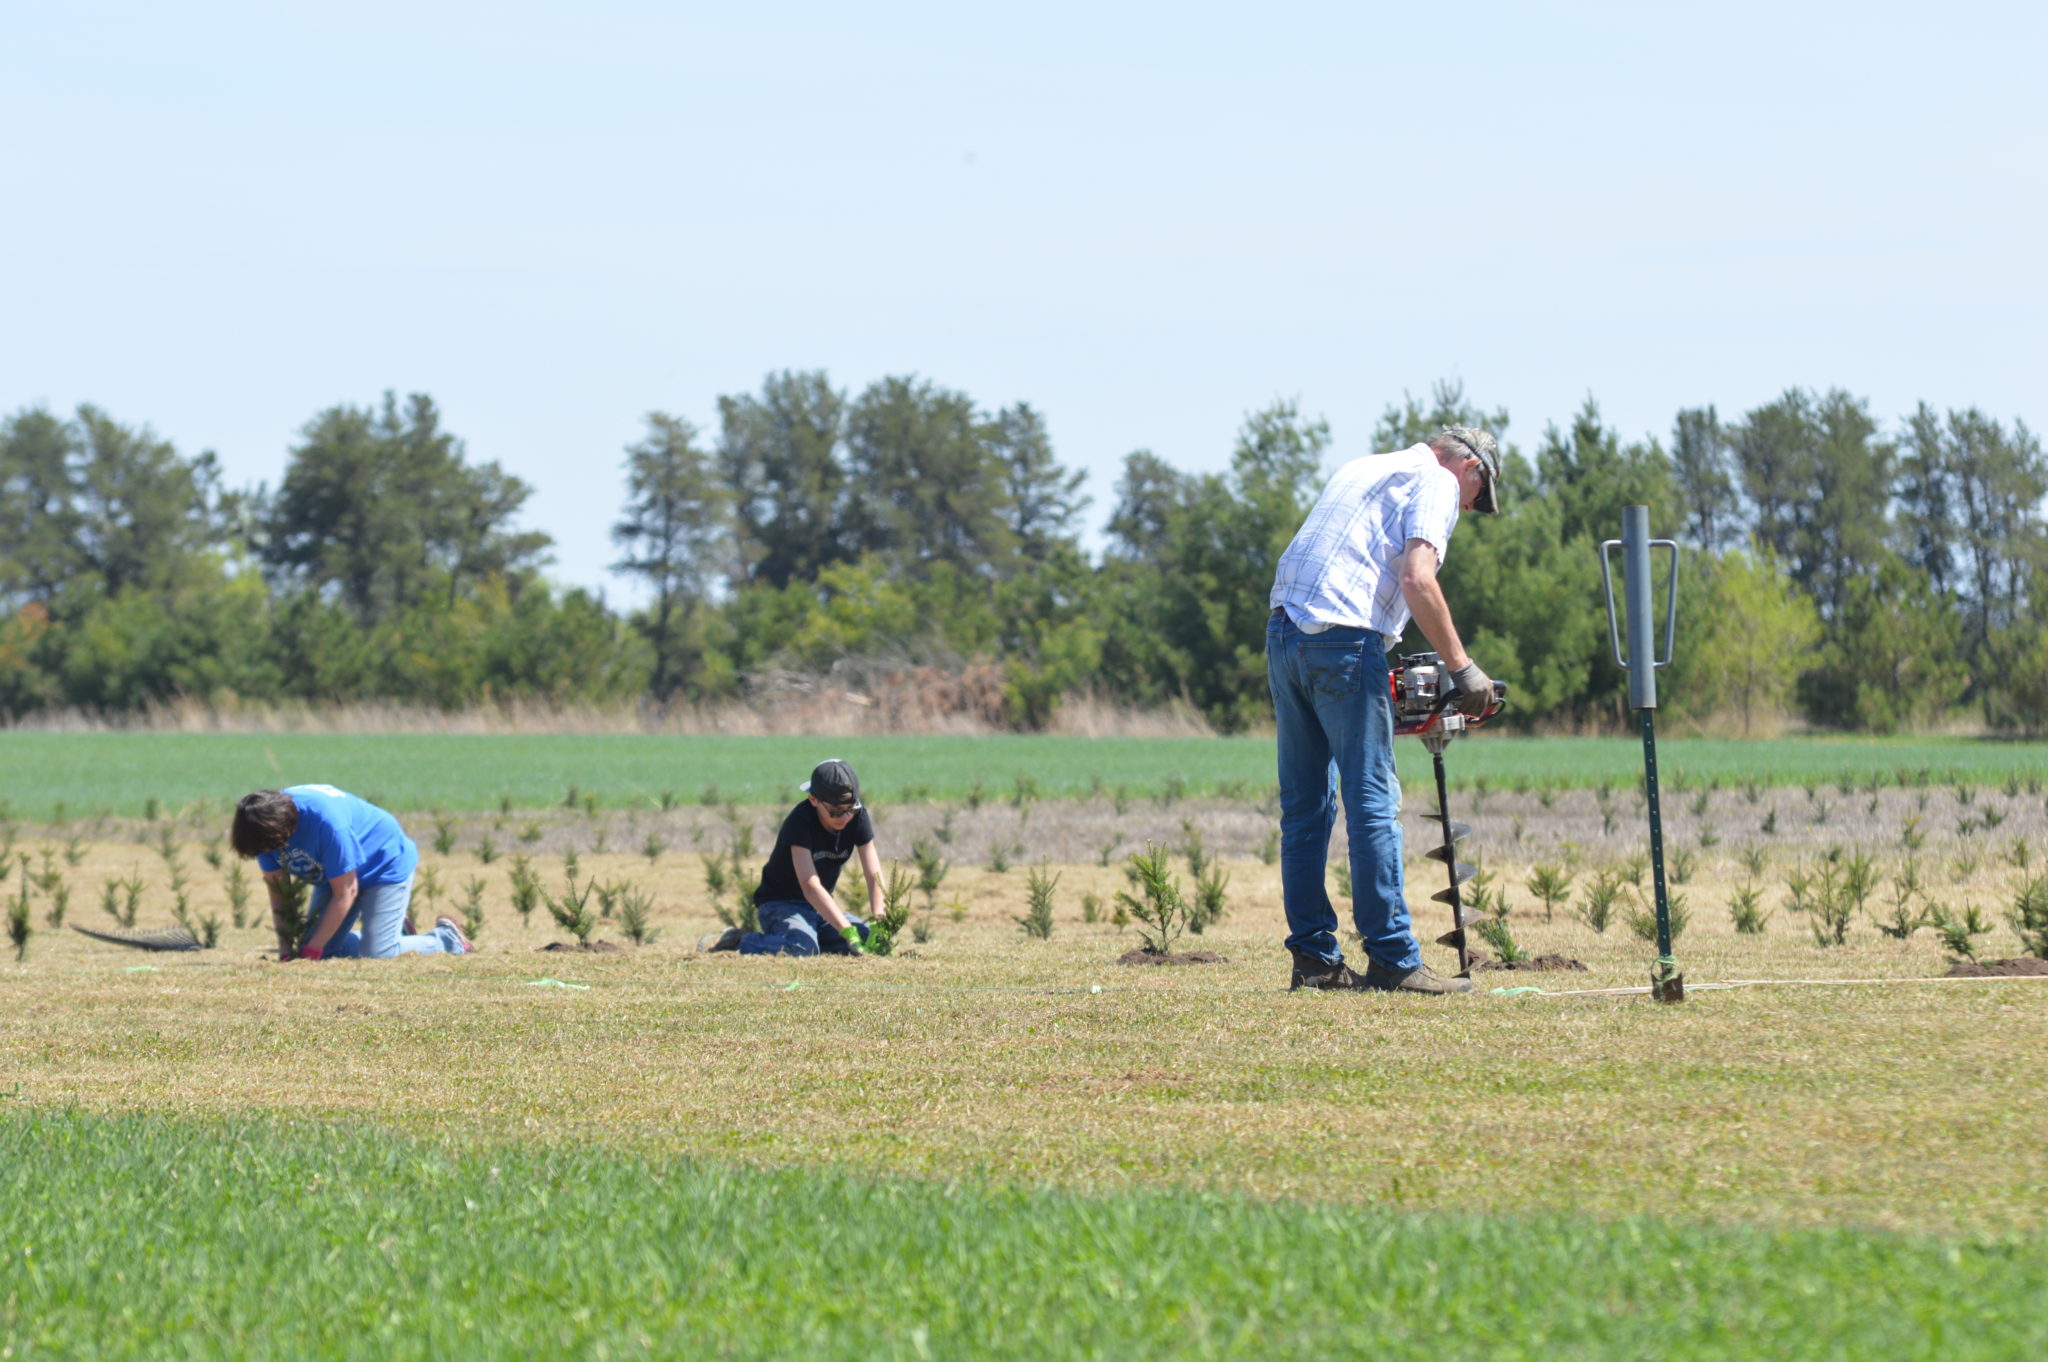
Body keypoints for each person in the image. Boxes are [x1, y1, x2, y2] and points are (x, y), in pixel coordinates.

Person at [1265, 425, 1502, 995]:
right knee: (1372, 799)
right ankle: (1394, 959)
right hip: (1345, 642)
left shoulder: (1363, 467)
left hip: (1284, 636)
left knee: (1305, 809)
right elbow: (1418, 579)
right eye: (1478, 496)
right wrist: (1463, 668)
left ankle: (1316, 962)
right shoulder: (1437, 483)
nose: (1470, 508)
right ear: (1470, 467)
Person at [231, 784, 469, 961]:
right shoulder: (261, 832)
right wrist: (286, 949)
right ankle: (392, 930)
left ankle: (446, 939)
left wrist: (311, 951)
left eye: (271, 848)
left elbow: (346, 892)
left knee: (378, 953)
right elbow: (280, 895)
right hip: (333, 876)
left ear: (286, 829)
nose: (267, 853)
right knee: (320, 948)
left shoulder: (328, 824)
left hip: (383, 866)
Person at [698, 759, 882, 957]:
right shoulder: (800, 822)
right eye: (836, 811)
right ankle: (739, 940)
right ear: (813, 800)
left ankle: (814, 938)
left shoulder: (859, 816)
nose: (845, 817)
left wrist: (880, 916)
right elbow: (809, 885)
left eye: (851, 809)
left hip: (820, 906)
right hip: (780, 904)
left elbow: (874, 874)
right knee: (802, 947)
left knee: (868, 939)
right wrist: (846, 930)